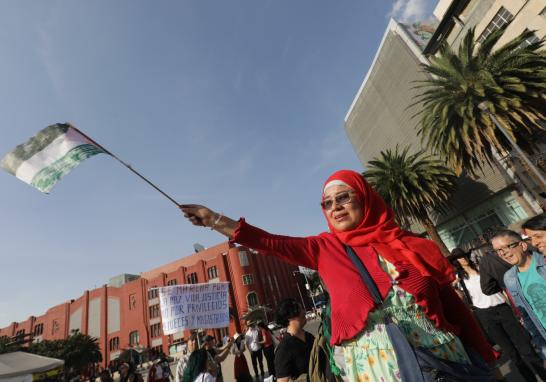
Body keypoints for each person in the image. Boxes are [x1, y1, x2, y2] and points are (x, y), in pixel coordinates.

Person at [180, 169, 497, 381]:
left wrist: (485, 355)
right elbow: (268, 242)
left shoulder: (413, 246)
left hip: (444, 362)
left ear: (365, 198)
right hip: (376, 369)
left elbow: (452, 309)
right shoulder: (324, 248)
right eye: (327, 203)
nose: (335, 207)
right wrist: (213, 219)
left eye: (344, 197)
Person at [449, 248, 546, 381]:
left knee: (526, 347)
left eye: (464, 256)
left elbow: (501, 286)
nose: (463, 259)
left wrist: (514, 307)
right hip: (485, 315)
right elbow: (460, 298)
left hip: (503, 309)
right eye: (459, 258)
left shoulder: (482, 268)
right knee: (512, 353)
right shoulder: (459, 279)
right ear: (456, 262)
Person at [491, 229, 546, 360]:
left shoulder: (544, 262)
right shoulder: (509, 278)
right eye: (498, 250)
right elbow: (527, 317)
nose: (503, 253)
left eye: (507, 247)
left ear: (523, 245)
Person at [274, 298, 315, 382]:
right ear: (290, 317)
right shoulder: (284, 349)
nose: (304, 312)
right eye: (300, 310)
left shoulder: (309, 337)